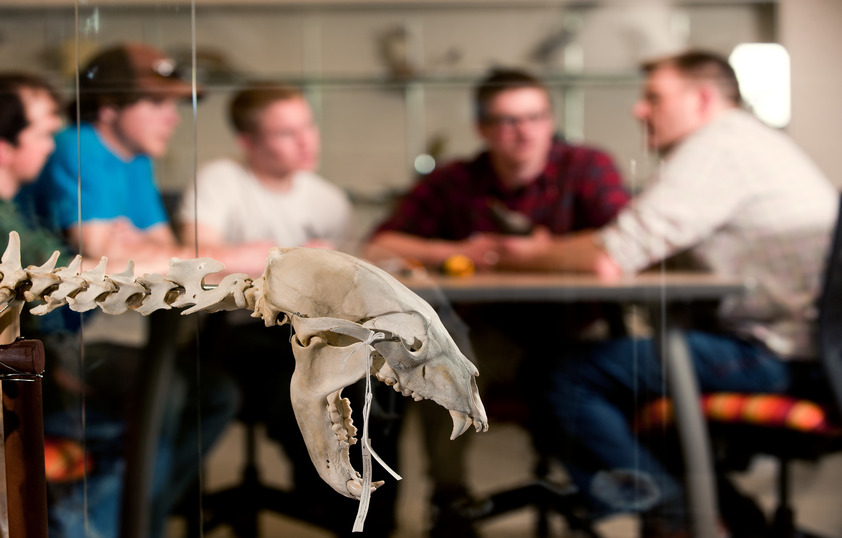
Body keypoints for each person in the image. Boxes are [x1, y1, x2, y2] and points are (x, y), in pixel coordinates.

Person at [498, 50, 838, 537]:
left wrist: (515, 254)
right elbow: (638, 245)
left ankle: (673, 517)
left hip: (780, 355)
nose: (639, 109)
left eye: (654, 97)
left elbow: (610, 256)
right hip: (805, 351)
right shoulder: (748, 143)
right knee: (626, 381)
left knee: (563, 374)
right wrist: (557, 249)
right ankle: (732, 521)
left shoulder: (720, 146)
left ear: (702, 100)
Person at [17, 42, 273, 538]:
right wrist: (233, 258)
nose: (172, 118)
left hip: (95, 333)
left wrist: (140, 246)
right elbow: (105, 256)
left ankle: (141, 517)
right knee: (170, 390)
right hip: (49, 343)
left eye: (175, 104)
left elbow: (163, 249)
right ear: (110, 108)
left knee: (215, 393)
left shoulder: (135, 160)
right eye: (157, 104)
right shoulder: (77, 145)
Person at [364, 67, 630, 536]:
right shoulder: (457, 181)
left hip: (574, 334)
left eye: (534, 117)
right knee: (435, 365)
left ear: (551, 120)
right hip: (487, 335)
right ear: (482, 128)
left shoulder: (586, 166)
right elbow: (378, 246)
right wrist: (456, 251)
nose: (523, 131)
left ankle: (611, 495)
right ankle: (449, 500)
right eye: (508, 120)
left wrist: (544, 253)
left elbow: (624, 243)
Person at [177, 82, 401, 537]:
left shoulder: (328, 199)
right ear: (249, 142)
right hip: (239, 331)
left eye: (308, 127)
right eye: (286, 132)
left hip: (317, 329)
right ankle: (331, 502)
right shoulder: (221, 181)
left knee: (385, 385)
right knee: (306, 388)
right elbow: (196, 254)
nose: (306, 142)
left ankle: (370, 518)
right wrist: (292, 259)